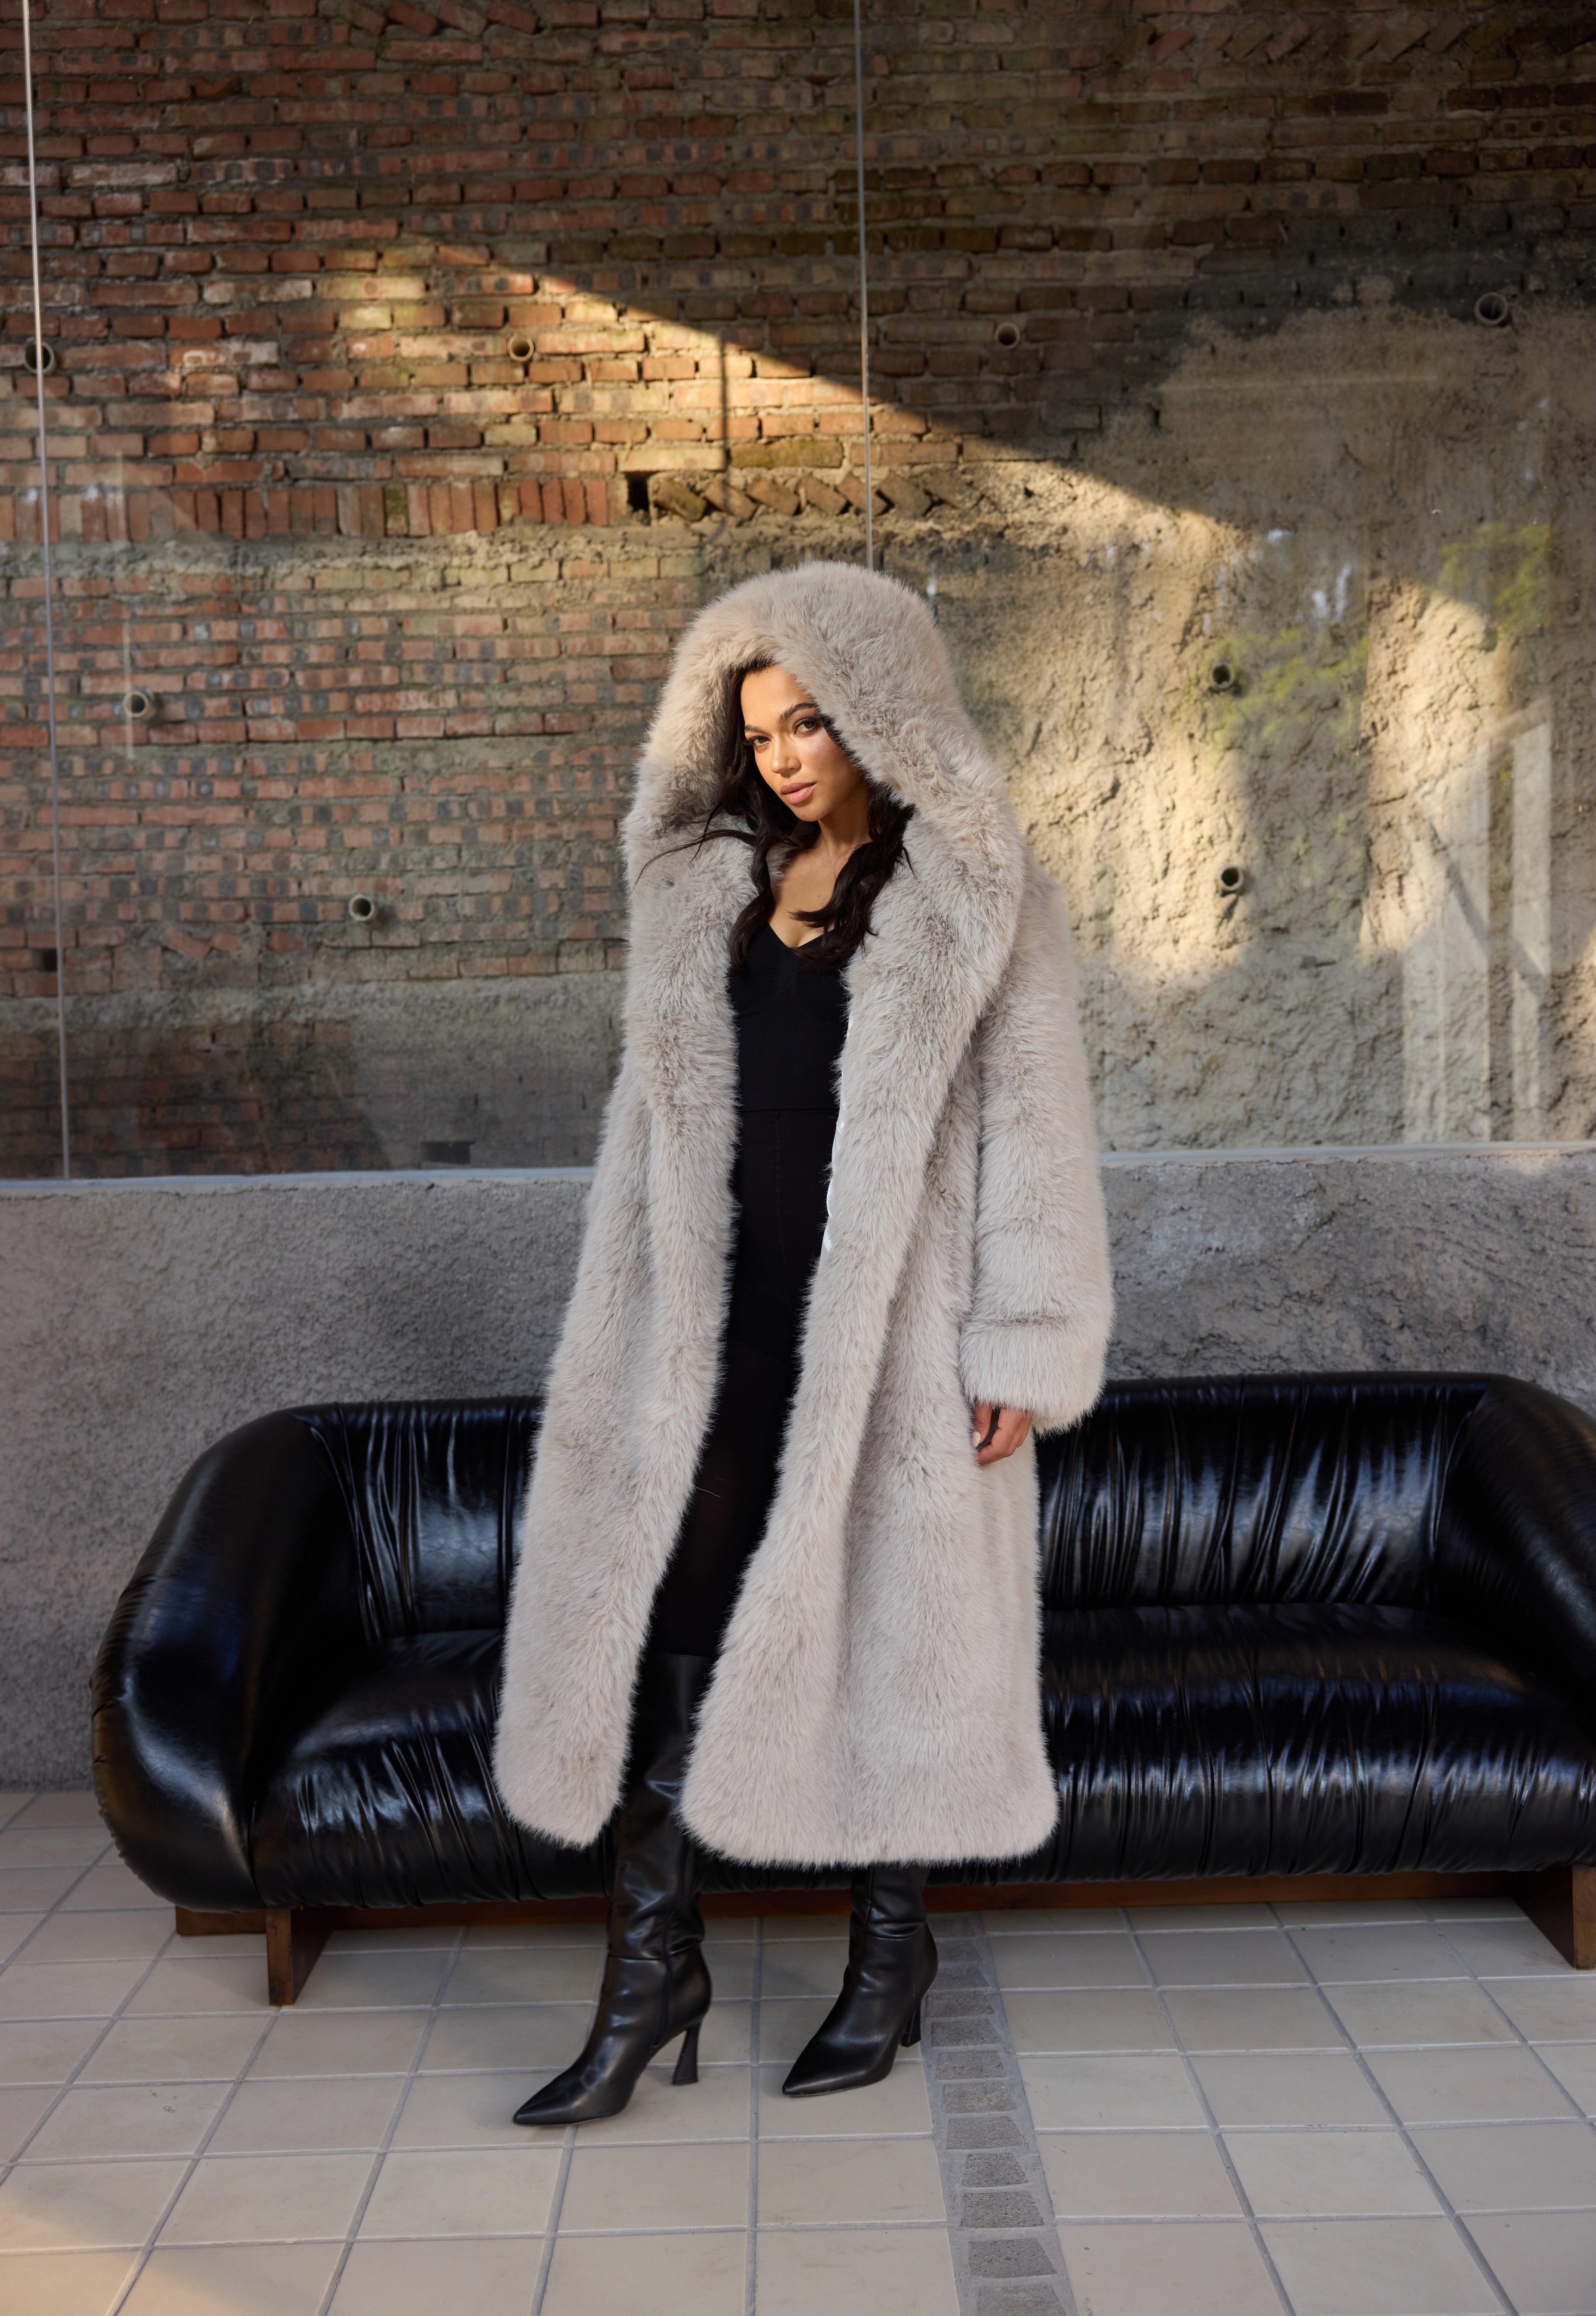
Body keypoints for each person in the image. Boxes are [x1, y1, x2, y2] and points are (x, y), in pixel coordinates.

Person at [494, 561, 1112, 2124]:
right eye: (761, 726)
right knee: (662, 1632)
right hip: (711, 1336)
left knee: (885, 1625)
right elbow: (648, 1138)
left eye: (817, 720)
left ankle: (889, 1960)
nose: (783, 753)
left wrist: (1021, 1346)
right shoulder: (698, 887)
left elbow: (1040, 1129)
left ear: (887, 712)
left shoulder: (975, 894)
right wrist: (617, 1326)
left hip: (889, 1343)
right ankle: (654, 1974)